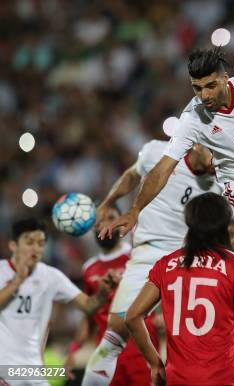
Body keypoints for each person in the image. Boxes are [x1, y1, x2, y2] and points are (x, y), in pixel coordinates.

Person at [101, 47, 234, 385]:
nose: (203, 96)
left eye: (208, 87)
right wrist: (134, 209)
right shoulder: (192, 119)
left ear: (224, 79)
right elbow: (163, 168)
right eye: (195, 88)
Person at [125, 192, 234, 386]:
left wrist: (155, 364)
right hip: (219, 380)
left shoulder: (165, 265)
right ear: (225, 225)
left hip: (177, 380)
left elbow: (132, 316)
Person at [82, 140, 218, 385]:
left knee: (200, 346)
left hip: (186, 261)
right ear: (197, 144)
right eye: (213, 151)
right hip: (147, 254)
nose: (216, 160)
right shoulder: (157, 151)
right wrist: (108, 202)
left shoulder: (219, 182)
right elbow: (132, 175)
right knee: (114, 334)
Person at [0, 218, 118, 385]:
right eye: (29, 242)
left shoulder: (51, 276)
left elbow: (88, 306)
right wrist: (17, 281)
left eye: (41, 243)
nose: (36, 248)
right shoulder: (1, 271)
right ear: (13, 245)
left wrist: (102, 293)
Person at [65, 206, 159, 385]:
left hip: (141, 352)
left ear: (121, 222)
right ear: (93, 227)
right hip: (106, 356)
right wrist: (74, 349)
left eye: (111, 218)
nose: (106, 224)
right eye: (100, 220)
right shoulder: (89, 268)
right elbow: (89, 315)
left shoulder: (138, 257)